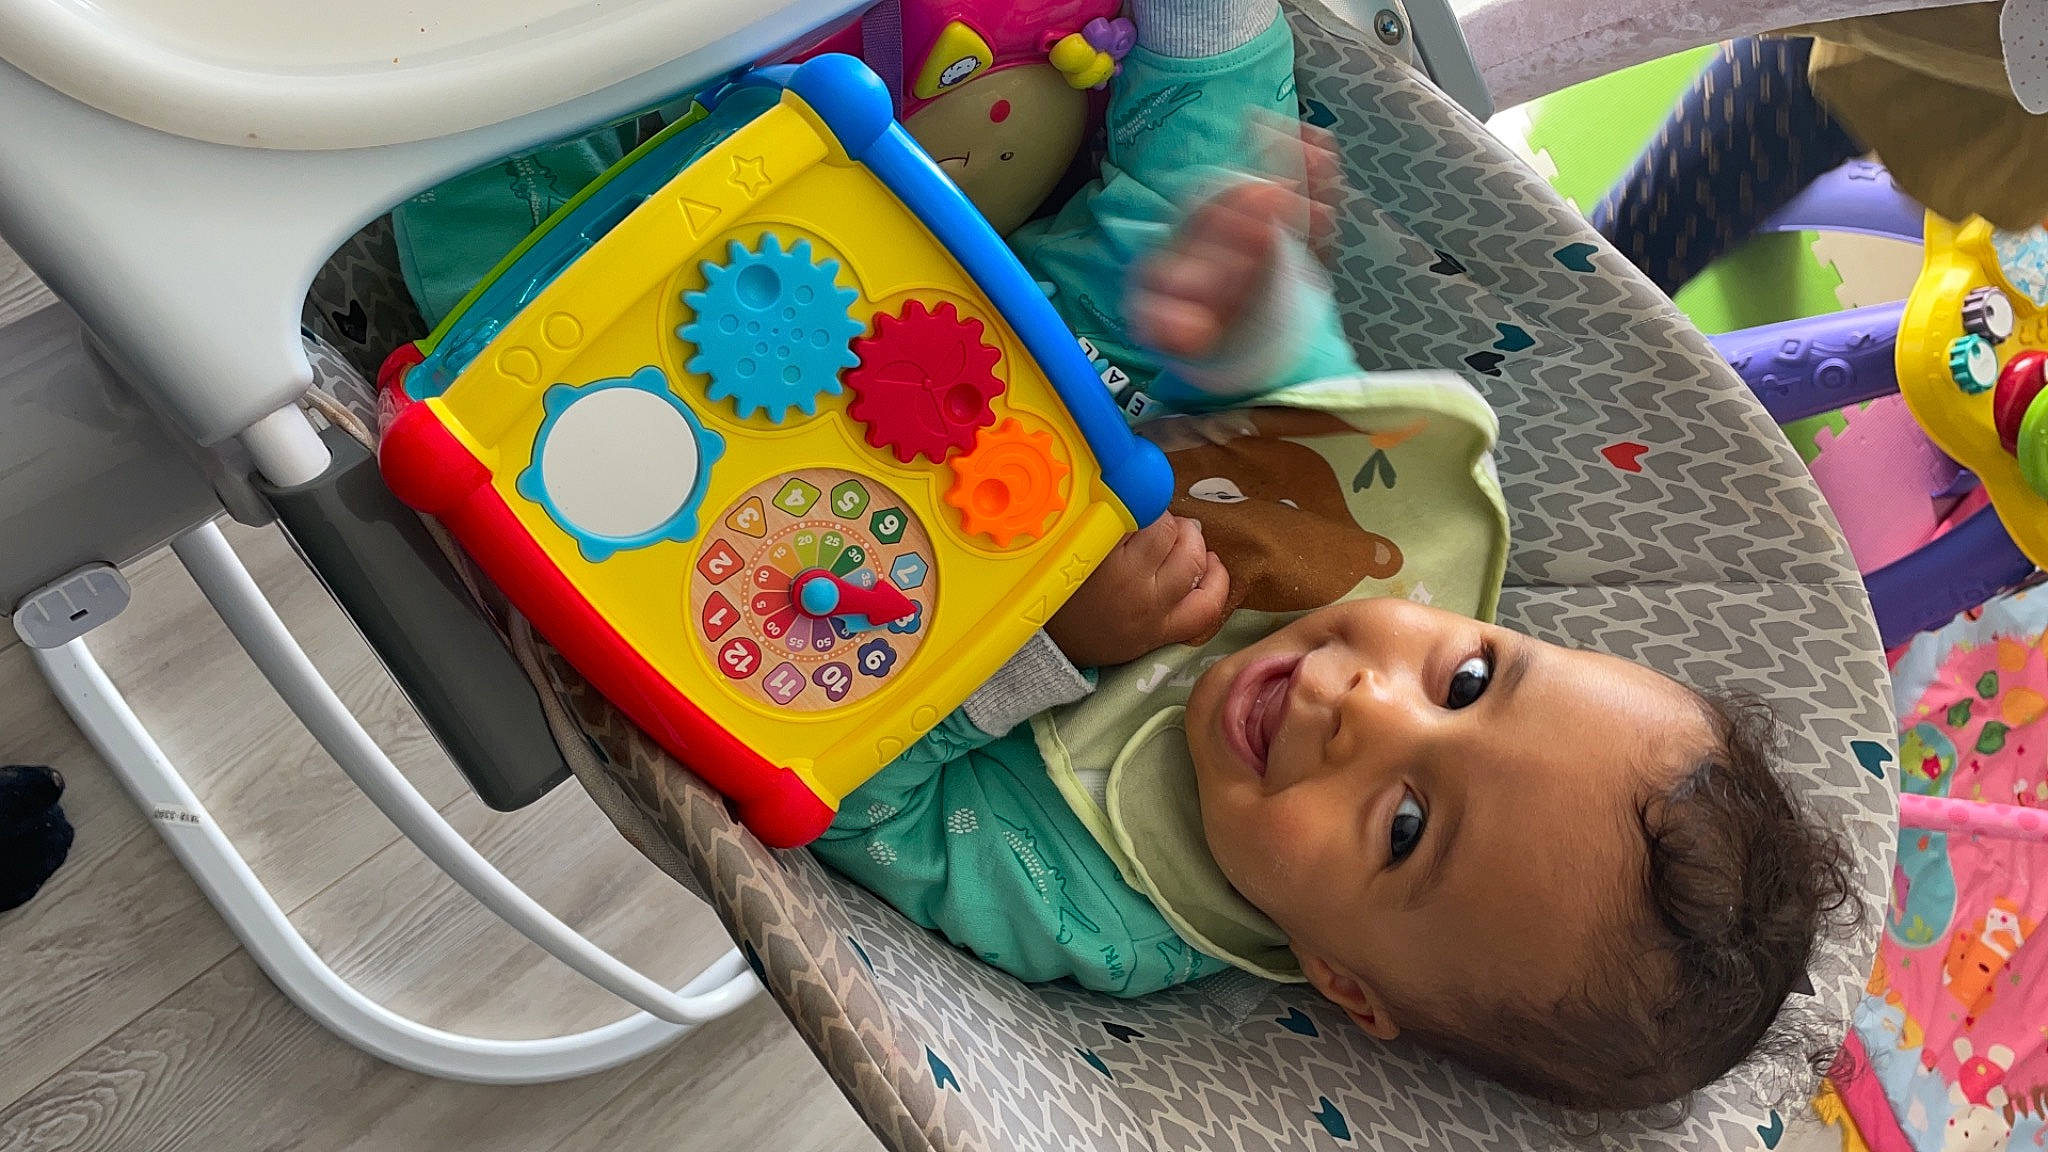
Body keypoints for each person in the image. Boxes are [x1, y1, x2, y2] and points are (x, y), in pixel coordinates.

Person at [808, 0, 1855, 1113]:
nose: (1369, 703)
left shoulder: (1105, 908)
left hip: (818, 497)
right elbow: (1291, 410)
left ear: (1344, 984)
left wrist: (1046, 643)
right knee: (1229, 188)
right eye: (1467, 680)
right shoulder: (1399, 561)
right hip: (1048, 324)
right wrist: (1241, 315)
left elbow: (855, 804)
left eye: (1403, 827)